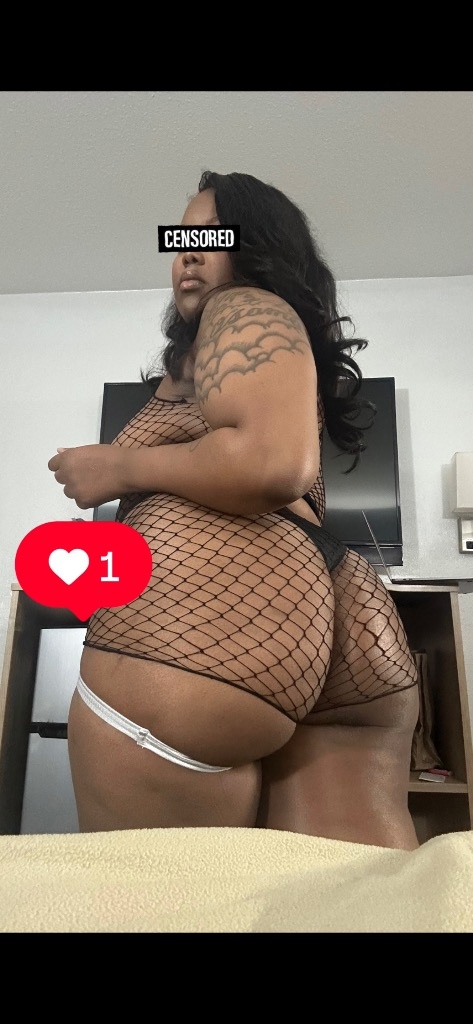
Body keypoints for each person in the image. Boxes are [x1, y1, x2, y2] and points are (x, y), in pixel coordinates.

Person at [60, 171, 419, 847]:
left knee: (154, 894)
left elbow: (269, 462)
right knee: (354, 894)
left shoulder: (241, 307)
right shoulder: (254, 339)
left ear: (255, 245)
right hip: (341, 620)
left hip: (209, 630)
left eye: (211, 237)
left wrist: (114, 466)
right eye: (180, 241)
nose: (188, 254)